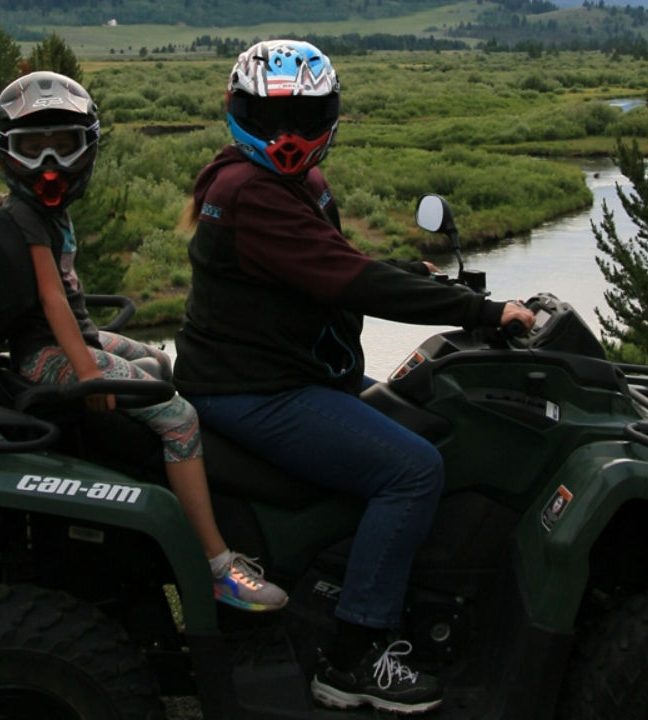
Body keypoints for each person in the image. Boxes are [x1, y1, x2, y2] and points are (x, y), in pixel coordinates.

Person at [173, 41, 535, 714]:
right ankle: (355, 655)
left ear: (330, 116)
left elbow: (331, 259)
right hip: (254, 392)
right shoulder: (251, 192)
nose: (287, 134)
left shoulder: (277, 182)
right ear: (238, 111)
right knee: (414, 469)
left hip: (269, 378)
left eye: (306, 115)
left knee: (416, 420)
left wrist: (409, 271)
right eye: (270, 115)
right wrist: (483, 312)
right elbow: (346, 277)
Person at [0, 70, 287, 612]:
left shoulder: (44, 210)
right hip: (50, 353)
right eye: (33, 148)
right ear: (10, 153)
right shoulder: (28, 215)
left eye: (64, 146)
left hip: (70, 337)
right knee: (178, 417)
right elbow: (53, 302)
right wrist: (88, 370)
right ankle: (216, 562)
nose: (49, 163)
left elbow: (64, 300)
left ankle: (169, 480)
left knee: (161, 363)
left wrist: (95, 353)